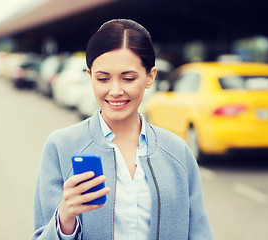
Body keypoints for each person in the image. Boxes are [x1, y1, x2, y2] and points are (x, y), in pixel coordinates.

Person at [32, 19, 212, 240]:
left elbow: (198, 233)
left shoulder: (177, 151)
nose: (115, 91)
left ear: (150, 77)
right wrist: (65, 219)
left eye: (128, 78)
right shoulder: (61, 147)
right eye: (103, 79)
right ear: (90, 77)